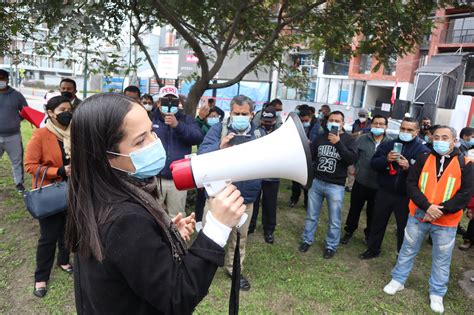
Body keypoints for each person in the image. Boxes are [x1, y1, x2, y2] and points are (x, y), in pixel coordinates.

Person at [64, 93, 247, 314]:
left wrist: (162, 237)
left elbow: (128, 257)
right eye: (141, 140)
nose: (155, 142)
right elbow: (177, 297)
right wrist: (217, 227)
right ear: (106, 156)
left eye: (151, 131)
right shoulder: (125, 220)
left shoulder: (98, 193)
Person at [382, 126, 473, 314]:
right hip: (419, 215)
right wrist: (427, 206)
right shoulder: (424, 157)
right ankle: (398, 280)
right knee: (407, 249)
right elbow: (412, 184)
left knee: (441, 259)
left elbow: (466, 193)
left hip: (446, 222)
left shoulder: (466, 163)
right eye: (437, 137)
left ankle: (437, 293)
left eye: (445, 137)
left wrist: (442, 209)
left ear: (454, 141)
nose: (440, 140)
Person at [198, 95, 262, 291]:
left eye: (244, 114)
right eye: (236, 113)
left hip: (245, 197)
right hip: (218, 195)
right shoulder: (219, 130)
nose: (240, 116)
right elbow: (202, 155)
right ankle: (200, 270)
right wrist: (220, 147)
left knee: (240, 237)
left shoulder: (259, 135)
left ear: (251, 115)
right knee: (209, 233)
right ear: (230, 113)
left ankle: (235, 270)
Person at [359, 117, 430, 259]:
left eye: (409, 130)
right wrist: (386, 159)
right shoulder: (388, 145)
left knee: (404, 227)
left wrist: (409, 168)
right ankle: (373, 249)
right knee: (377, 222)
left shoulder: (423, 151)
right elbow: (374, 164)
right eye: (403, 128)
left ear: (416, 132)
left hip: (406, 196)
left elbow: (425, 177)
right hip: (385, 191)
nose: (405, 132)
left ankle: (401, 255)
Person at [24, 95, 74, 298]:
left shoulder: (74, 133)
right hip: (51, 194)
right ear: (50, 113)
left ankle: (63, 260)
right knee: (48, 236)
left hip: (73, 191)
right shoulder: (41, 135)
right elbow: (30, 166)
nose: (67, 113)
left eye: (69, 109)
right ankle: (41, 277)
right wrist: (60, 171)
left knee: (68, 230)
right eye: (62, 110)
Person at [299, 111, 357, 259]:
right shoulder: (320, 138)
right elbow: (310, 156)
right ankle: (307, 240)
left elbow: (350, 159)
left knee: (335, 218)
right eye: (331, 120)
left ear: (343, 123)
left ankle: (331, 245)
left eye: (337, 120)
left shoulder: (349, 140)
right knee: (312, 215)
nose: (334, 123)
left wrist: (338, 143)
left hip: (336, 185)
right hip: (317, 182)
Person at [152, 86, 204, 218]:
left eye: (173, 100)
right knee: (154, 215)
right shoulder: (151, 119)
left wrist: (177, 126)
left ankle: (177, 238)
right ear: (158, 103)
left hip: (178, 177)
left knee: (177, 216)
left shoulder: (186, 119)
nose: (168, 104)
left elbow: (197, 137)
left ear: (178, 103)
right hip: (155, 177)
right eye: (165, 101)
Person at [341, 115, 392, 245]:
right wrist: (352, 169)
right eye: (376, 123)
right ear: (371, 124)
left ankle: (369, 235)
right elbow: (353, 156)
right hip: (361, 181)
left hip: (378, 185)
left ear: (386, 126)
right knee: (354, 209)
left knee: (373, 213)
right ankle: (349, 232)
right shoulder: (362, 139)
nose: (378, 126)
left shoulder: (390, 143)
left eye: (381, 124)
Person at [249, 107, 280, 244]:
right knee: (253, 202)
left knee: (270, 203)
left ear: (274, 120)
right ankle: (250, 225)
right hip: (256, 173)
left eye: (270, 120)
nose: (267, 123)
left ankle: (269, 230)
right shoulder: (255, 131)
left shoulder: (280, 132)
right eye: (265, 120)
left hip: (272, 175)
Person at [194, 107, 222, 229]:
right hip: (204, 164)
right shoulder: (203, 127)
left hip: (217, 166)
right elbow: (195, 129)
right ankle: (199, 219)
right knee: (201, 194)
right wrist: (199, 118)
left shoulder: (222, 130)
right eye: (210, 116)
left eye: (215, 116)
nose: (213, 118)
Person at [0, 69, 28, 193]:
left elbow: (26, 111)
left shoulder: (16, 95)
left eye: (2, 78)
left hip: (13, 136)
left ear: (7, 80)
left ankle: (19, 184)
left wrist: (16, 119)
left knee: (17, 162)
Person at [289, 106, 314, 208]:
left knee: (307, 184)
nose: (304, 122)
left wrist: (310, 143)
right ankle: (294, 199)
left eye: (306, 120)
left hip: (309, 158)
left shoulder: (316, 127)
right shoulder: (297, 126)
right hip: (298, 157)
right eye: (302, 121)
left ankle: (307, 203)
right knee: (296, 182)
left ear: (310, 117)